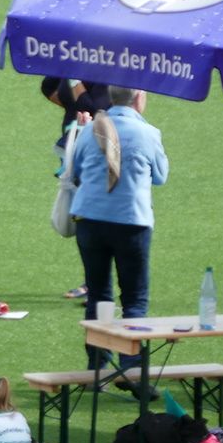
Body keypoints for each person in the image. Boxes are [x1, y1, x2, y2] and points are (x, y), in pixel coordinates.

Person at [71, 86, 168, 376]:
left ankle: (98, 368)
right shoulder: (148, 133)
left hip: (90, 219)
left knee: (98, 295)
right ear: (139, 98)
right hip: (131, 222)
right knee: (134, 299)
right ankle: (131, 367)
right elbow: (161, 176)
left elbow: (75, 172)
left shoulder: (90, 131)